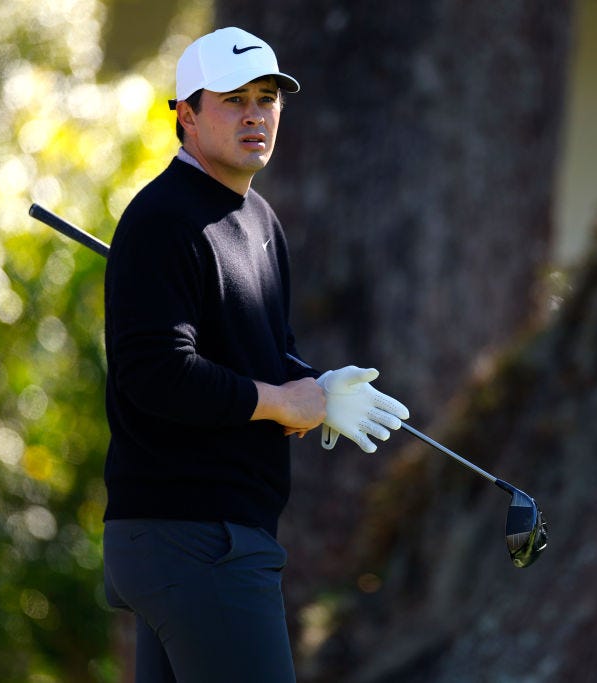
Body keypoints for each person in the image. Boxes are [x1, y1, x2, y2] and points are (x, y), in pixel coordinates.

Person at [101, 27, 409, 682]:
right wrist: (280, 402)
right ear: (185, 114)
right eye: (233, 99)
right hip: (194, 536)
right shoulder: (163, 220)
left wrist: (317, 390)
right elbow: (156, 373)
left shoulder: (260, 220)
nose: (254, 115)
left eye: (267, 98)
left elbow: (269, 353)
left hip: (211, 536)